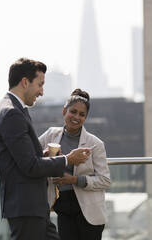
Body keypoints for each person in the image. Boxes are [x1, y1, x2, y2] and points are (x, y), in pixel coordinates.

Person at [0, 58, 92, 240]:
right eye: (40, 84)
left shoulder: (11, 109)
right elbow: (30, 166)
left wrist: (43, 155)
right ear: (24, 82)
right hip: (26, 206)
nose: (42, 92)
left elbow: (24, 158)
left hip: (32, 206)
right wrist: (68, 159)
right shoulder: (12, 113)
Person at [39, 89, 111, 240]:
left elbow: (105, 180)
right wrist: (45, 155)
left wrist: (75, 180)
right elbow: (32, 157)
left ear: (86, 118)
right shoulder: (51, 135)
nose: (76, 117)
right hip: (63, 206)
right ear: (64, 111)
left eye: (82, 114)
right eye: (73, 111)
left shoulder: (95, 144)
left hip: (89, 211)